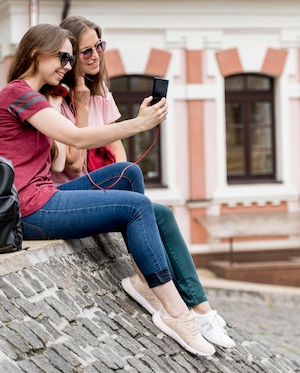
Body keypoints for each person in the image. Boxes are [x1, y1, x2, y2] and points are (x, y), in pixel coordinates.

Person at [0, 23, 216, 357]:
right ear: (35, 53)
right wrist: (139, 123)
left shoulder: (35, 98)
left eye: (70, 57)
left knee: (127, 173)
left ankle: (143, 281)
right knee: (137, 207)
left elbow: (64, 160)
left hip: (41, 195)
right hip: (25, 210)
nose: (67, 64)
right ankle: (176, 313)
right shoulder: (18, 94)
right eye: (63, 56)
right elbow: (76, 139)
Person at [49, 15, 235, 349]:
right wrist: (80, 105)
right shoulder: (59, 98)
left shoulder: (101, 92)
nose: (95, 56)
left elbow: (118, 151)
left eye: (99, 47)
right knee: (157, 213)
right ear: (69, 57)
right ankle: (165, 294)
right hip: (69, 192)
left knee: (150, 203)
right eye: (85, 51)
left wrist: (125, 186)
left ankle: (202, 310)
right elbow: (73, 161)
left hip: (99, 187)